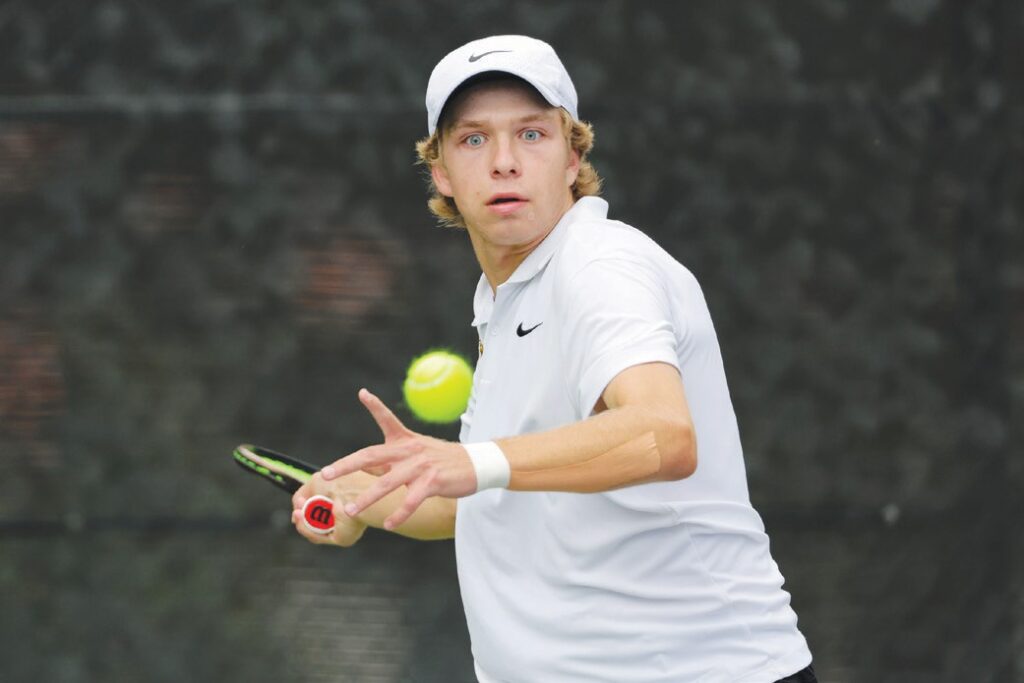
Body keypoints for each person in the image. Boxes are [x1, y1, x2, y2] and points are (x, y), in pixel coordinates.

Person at [291, 35, 816, 683]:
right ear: (441, 173)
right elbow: (499, 496)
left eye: (532, 135)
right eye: (474, 139)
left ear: (573, 157)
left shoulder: (598, 264)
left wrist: (470, 460)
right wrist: (362, 498)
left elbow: (664, 435)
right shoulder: (506, 297)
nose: (504, 161)